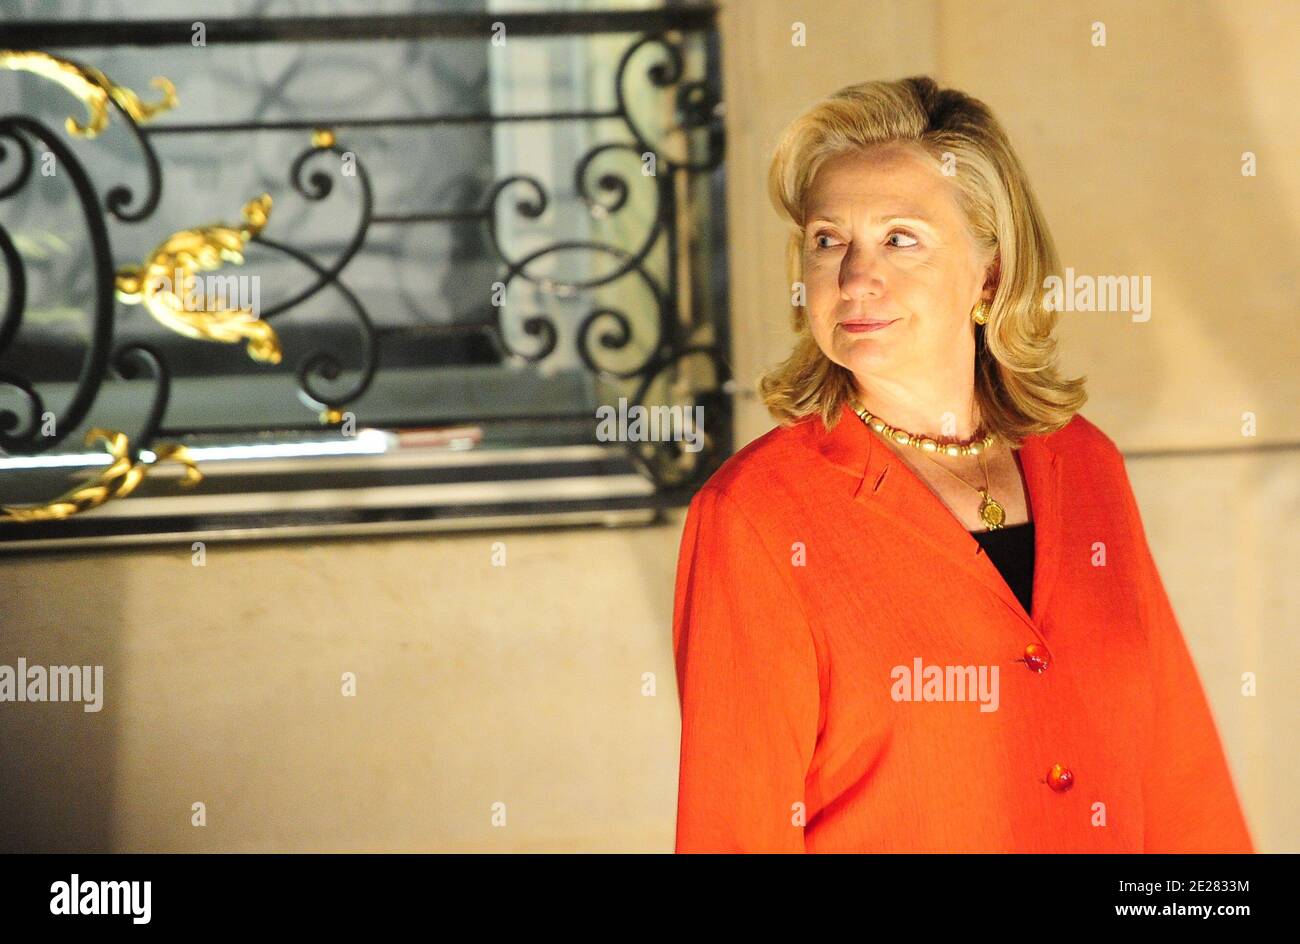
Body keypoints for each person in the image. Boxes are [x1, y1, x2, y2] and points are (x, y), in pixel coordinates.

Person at [671, 76, 1254, 853]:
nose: (853, 277)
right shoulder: (755, 517)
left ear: (989, 272)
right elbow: (733, 833)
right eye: (827, 240)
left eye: (900, 238)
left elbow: (1180, 780)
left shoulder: (1087, 466)